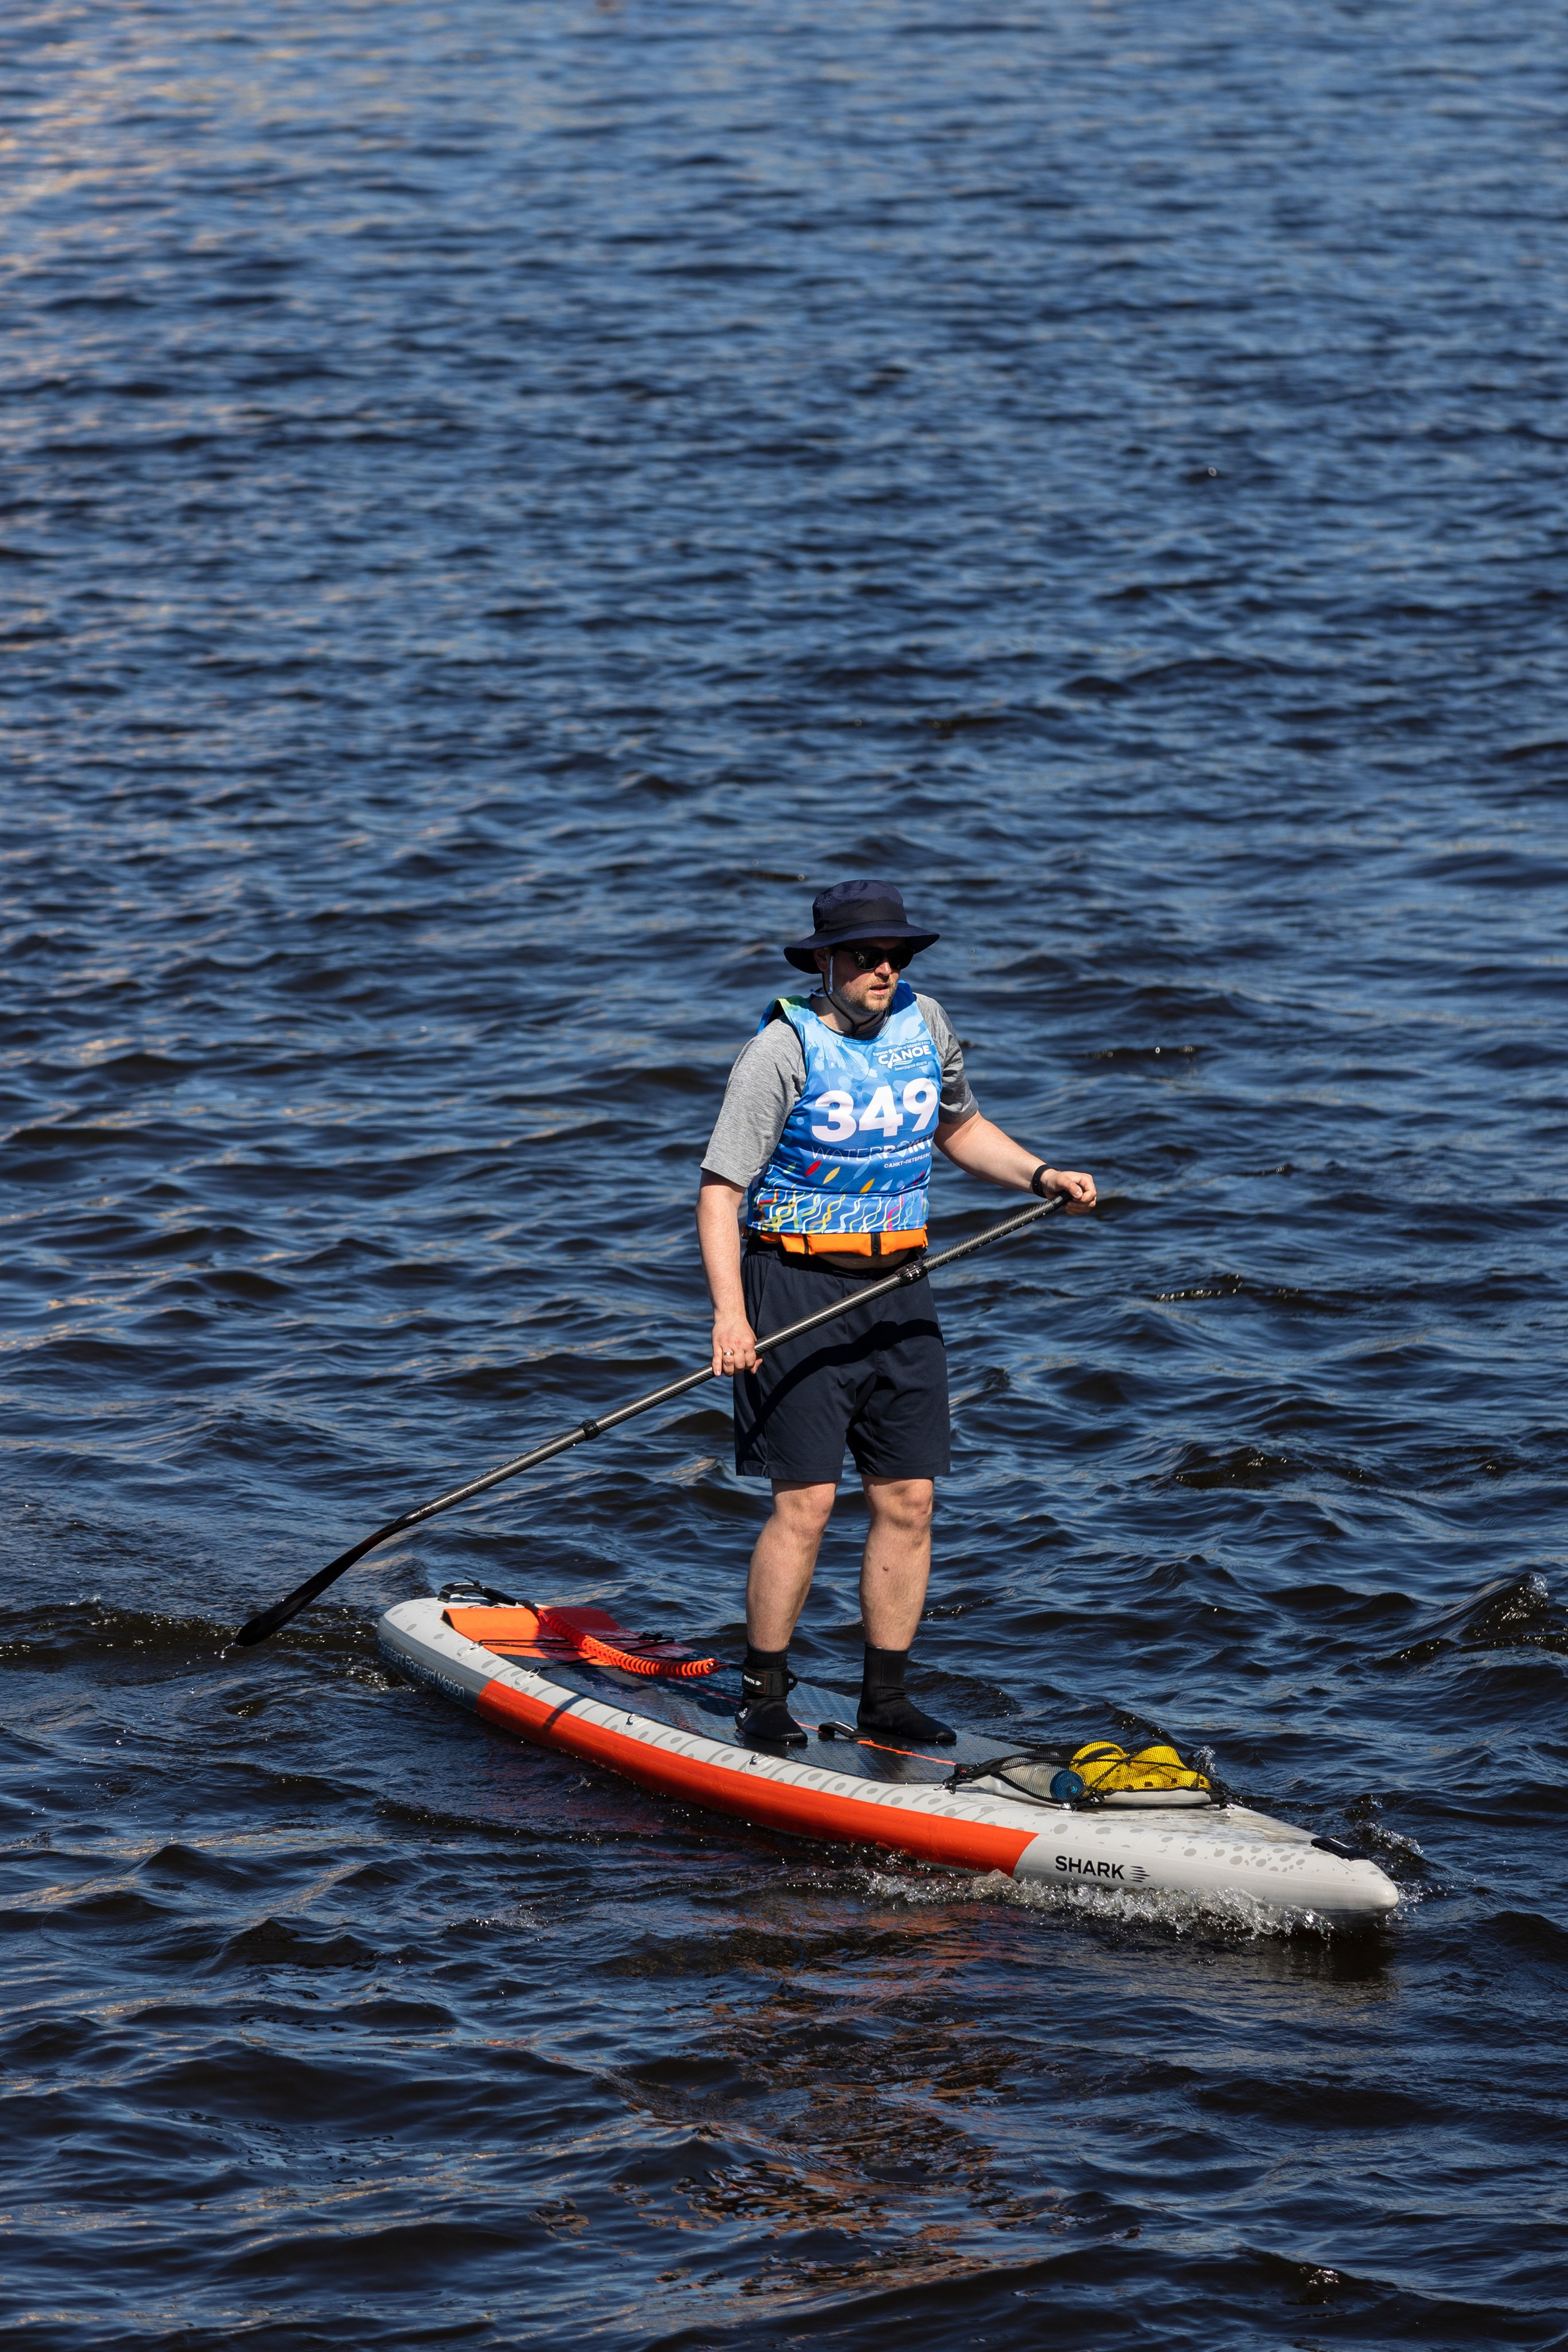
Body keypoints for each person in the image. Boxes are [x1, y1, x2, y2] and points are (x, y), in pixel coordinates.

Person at [698, 878, 1096, 1749]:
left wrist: (1040, 1175)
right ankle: (763, 1692)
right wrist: (732, 1316)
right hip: (794, 1288)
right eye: (869, 957)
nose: (886, 970)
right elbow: (721, 1193)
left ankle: (885, 1699)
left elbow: (960, 1128)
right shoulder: (779, 1050)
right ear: (826, 962)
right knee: (804, 1504)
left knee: (909, 1498)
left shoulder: (927, 1025)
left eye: (898, 956)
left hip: (900, 1287)